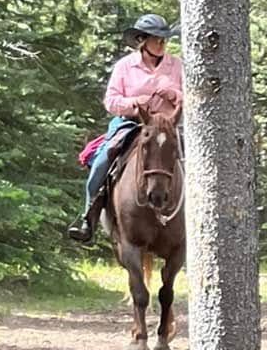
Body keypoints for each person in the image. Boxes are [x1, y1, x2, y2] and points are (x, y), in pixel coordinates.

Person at [66, 14, 183, 244]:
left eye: (164, 40)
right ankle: (88, 217)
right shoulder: (125, 66)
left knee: (195, 160)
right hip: (131, 123)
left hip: (168, 126)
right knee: (103, 159)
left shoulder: (176, 65)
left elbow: (190, 98)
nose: (161, 44)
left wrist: (173, 94)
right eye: (156, 39)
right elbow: (111, 101)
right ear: (143, 41)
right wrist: (134, 103)